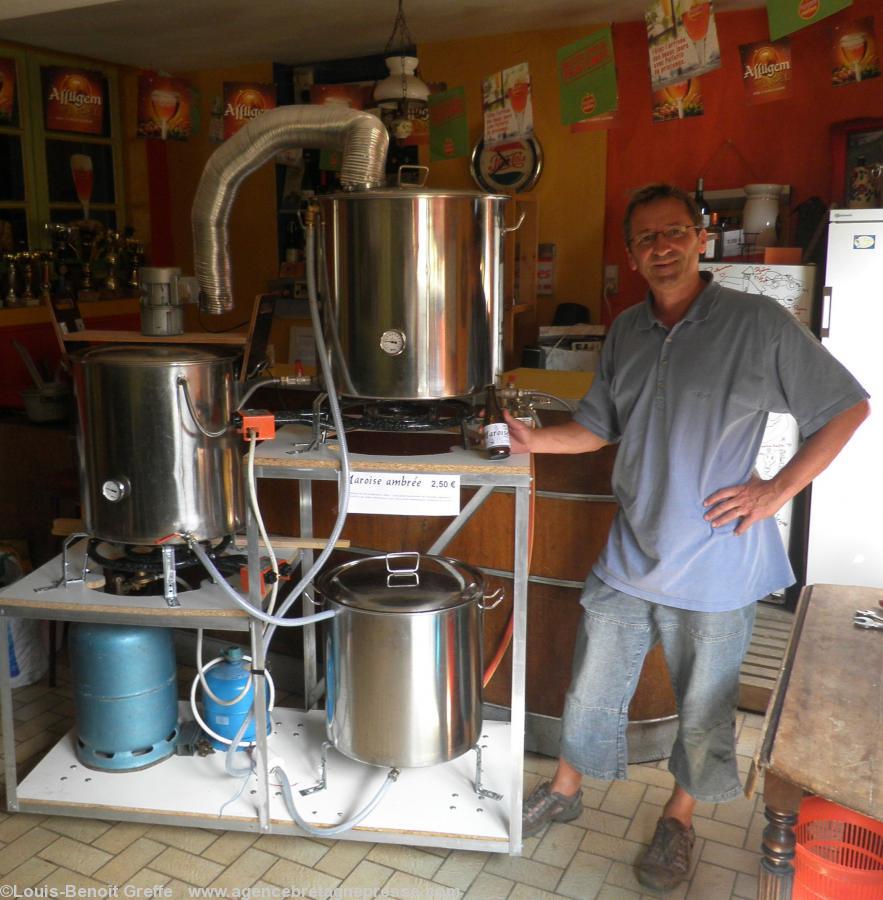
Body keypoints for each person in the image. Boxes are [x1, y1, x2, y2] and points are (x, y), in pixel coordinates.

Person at [513, 183, 869, 893]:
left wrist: (775, 490)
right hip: (629, 551)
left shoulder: (757, 323)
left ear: (701, 237)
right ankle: (564, 787)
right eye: (646, 238)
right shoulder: (624, 331)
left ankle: (677, 822)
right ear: (630, 252)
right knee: (588, 688)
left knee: (704, 707)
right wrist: (529, 441)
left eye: (673, 232)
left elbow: (846, 408)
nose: (662, 247)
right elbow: (597, 427)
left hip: (716, 561)